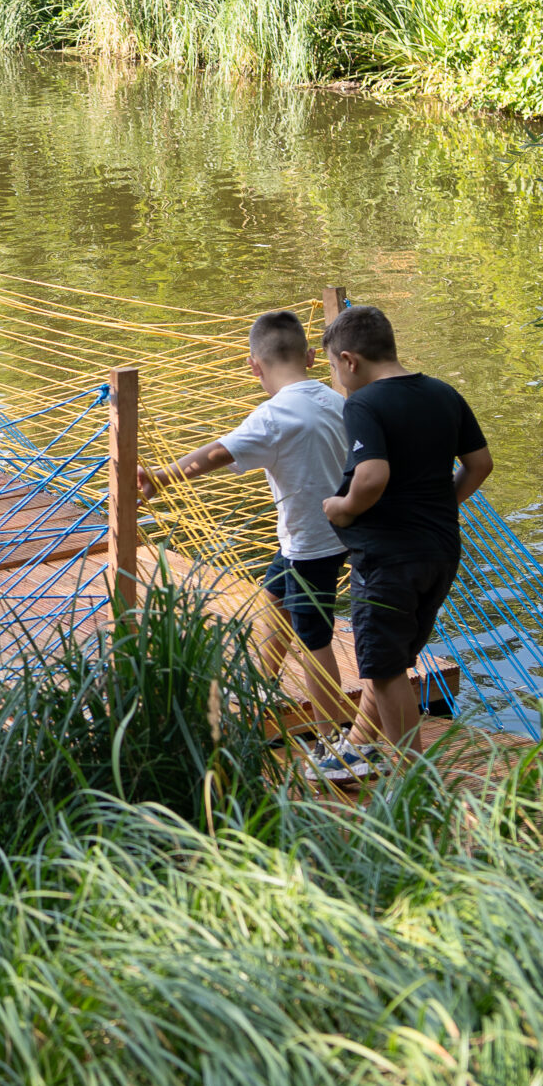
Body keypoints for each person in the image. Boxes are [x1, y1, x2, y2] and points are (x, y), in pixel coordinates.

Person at [138, 309, 363, 780]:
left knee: (315, 641)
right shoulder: (337, 400)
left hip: (311, 544)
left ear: (253, 367)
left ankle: (335, 750)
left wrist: (160, 477)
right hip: (340, 532)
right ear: (309, 356)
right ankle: (260, 697)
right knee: (274, 598)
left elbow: (217, 454)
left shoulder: (275, 415)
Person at [318, 302, 492, 774]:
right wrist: (442, 506)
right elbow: (480, 465)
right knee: (392, 660)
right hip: (440, 551)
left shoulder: (364, 403)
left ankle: (418, 783)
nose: (338, 379)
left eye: (335, 369)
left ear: (350, 360)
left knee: (383, 666)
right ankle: (357, 750)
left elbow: (372, 475)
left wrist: (342, 507)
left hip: (387, 559)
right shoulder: (443, 393)